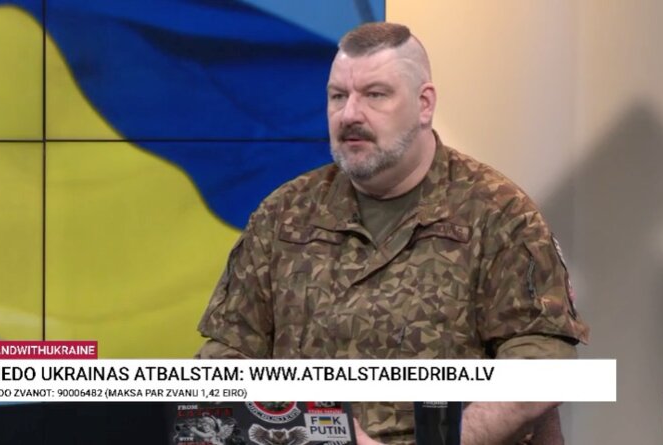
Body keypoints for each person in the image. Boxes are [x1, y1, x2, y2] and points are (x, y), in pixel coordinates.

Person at [196, 22, 589, 445]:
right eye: (338, 96)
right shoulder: (283, 216)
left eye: (375, 95)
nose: (350, 114)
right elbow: (225, 360)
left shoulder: (499, 214)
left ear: (424, 104)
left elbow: (542, 368)